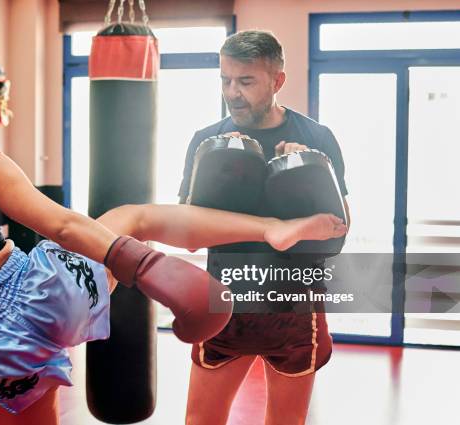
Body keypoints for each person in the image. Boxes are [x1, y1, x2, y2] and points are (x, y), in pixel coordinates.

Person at [0, 66, 346, 425]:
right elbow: (64, 227)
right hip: (39, 304)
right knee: (136, 216)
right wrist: (141, 263)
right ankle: (267, 227)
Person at [179, 30, 351, 425]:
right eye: (225, 80)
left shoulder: (315, 138)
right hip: (224, 303)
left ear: (277, 81)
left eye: (246, 81)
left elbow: (340, 229)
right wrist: (221, 174)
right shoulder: (207, 141)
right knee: (200, 420)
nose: (232, 92)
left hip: (294, 305)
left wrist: (308, 176)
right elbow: (187, 232)